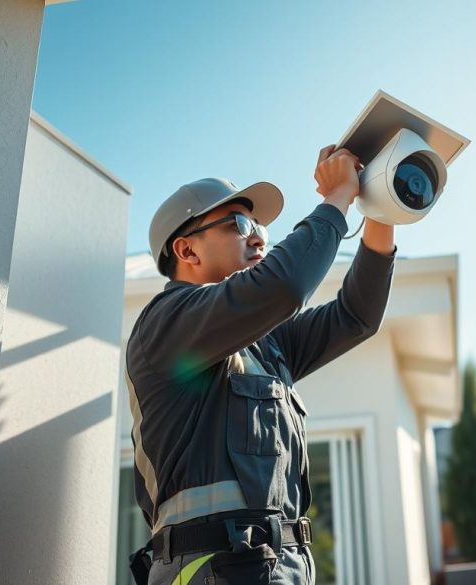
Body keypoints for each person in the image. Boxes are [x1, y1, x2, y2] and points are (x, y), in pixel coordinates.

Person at [126, 146, 395, 584]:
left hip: (276, 565)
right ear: (187, 250)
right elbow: (285, 286)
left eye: (261, 228)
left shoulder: (265, 346)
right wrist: (337, 199)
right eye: (240, 224)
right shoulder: (165, 324)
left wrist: (380, 207)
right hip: (211, 568)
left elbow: (355, 317)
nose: (258, 237)